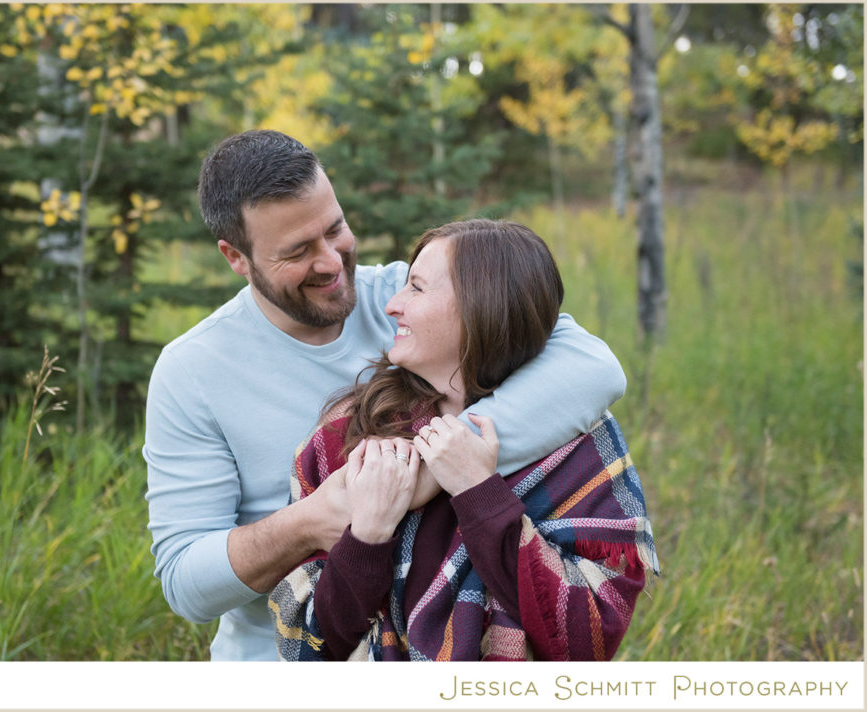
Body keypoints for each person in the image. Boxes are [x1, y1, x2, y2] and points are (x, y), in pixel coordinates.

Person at [143, 130, 629, 661]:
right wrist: (312, 521)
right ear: (236, 257)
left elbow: (594, 366)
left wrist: (430, 471)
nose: (331, 263)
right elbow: (187, 585)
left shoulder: (413, 295)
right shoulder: (193, 370)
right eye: (298, 251)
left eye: (335, 229)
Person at [270, 219, 658, 661]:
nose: (393, 305)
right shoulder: (346, 436)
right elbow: (306, 649)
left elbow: (586, 642)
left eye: (416, 288)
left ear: (482, 308)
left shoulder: (577, 443)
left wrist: (480, 493)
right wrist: (368, 536)